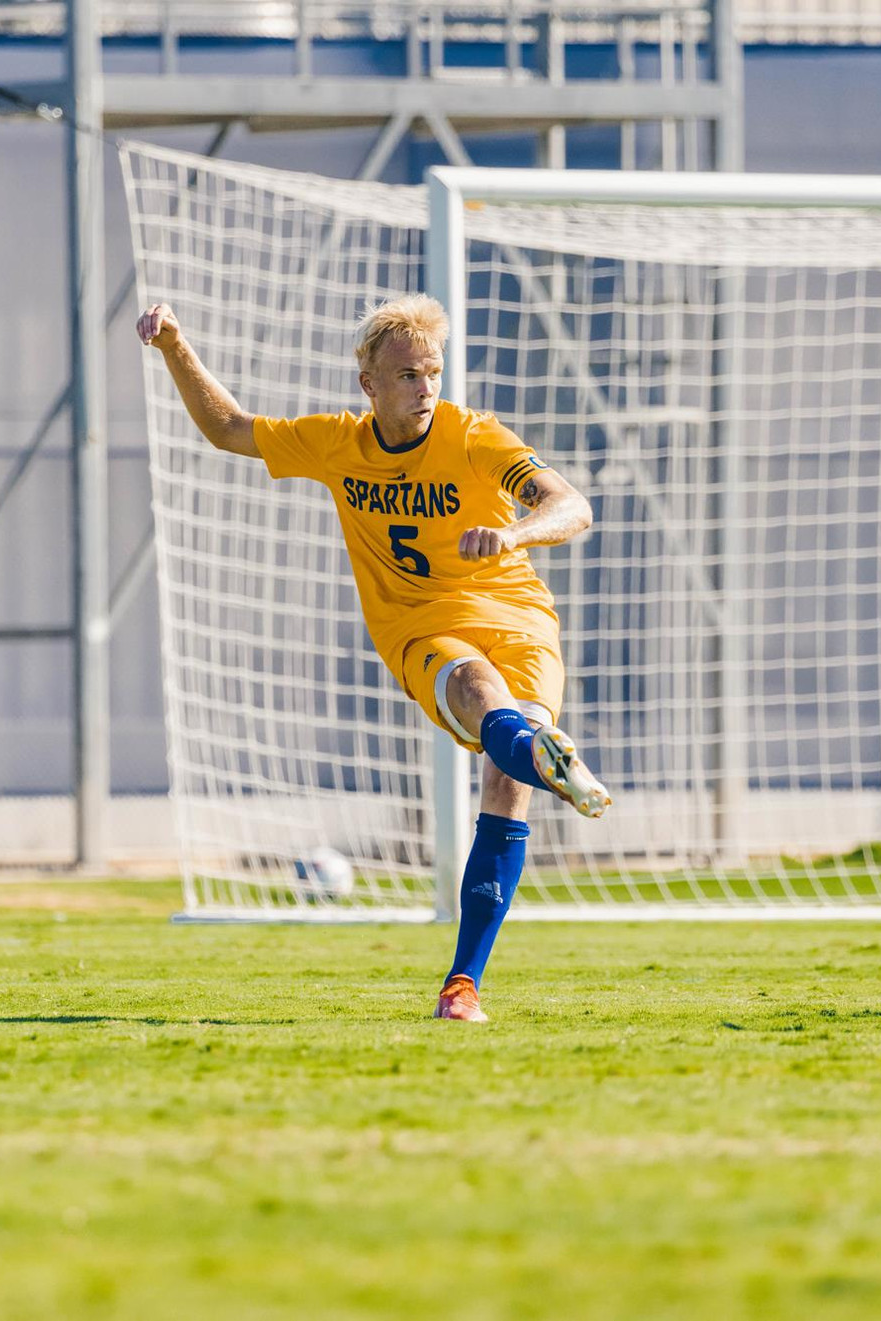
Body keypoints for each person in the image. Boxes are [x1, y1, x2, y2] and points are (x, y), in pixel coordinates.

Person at [138, 294, 610, 1022]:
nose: (426, 388)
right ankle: (548, 758)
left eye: (433, 372)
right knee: (482, 691)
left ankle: (463, 986)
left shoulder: (475, 436)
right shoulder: (337, 442)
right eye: (409, 375)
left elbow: (572, 504)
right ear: (370, 385)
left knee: (506, 778)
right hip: (420, 628)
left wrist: (514, 535)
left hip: (519, 619)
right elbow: (228, 429)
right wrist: (173, 344)